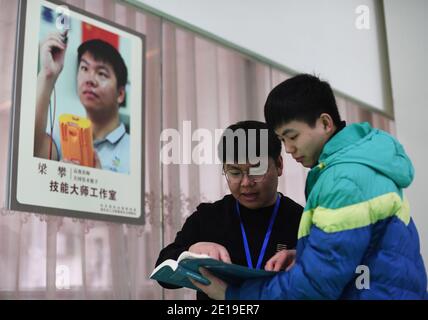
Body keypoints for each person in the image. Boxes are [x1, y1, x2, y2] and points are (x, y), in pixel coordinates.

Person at [192, 74, 428, 300]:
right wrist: (304, 256)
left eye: (292, 136)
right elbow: (356, 251)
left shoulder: (344, 179)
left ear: (325, 123)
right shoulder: (355, 166)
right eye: (282, 140)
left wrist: (232, 295)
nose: (289, 148)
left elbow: (316, 284)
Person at [155, 120, 303, 300]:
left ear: (279, 165)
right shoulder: (208, 217)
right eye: (234, 172)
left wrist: (302, 259)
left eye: (256, 170)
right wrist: (190, 251)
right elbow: (164, 273)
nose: (246, 183)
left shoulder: (301, 219)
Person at [34, 32, 130, 173]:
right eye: (84, 68)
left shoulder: (134, 150)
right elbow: (32, 151)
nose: (90, 79)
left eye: (102, 73)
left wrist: (100, 182)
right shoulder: (63, 135)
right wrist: (47, 75)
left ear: (120, 94)